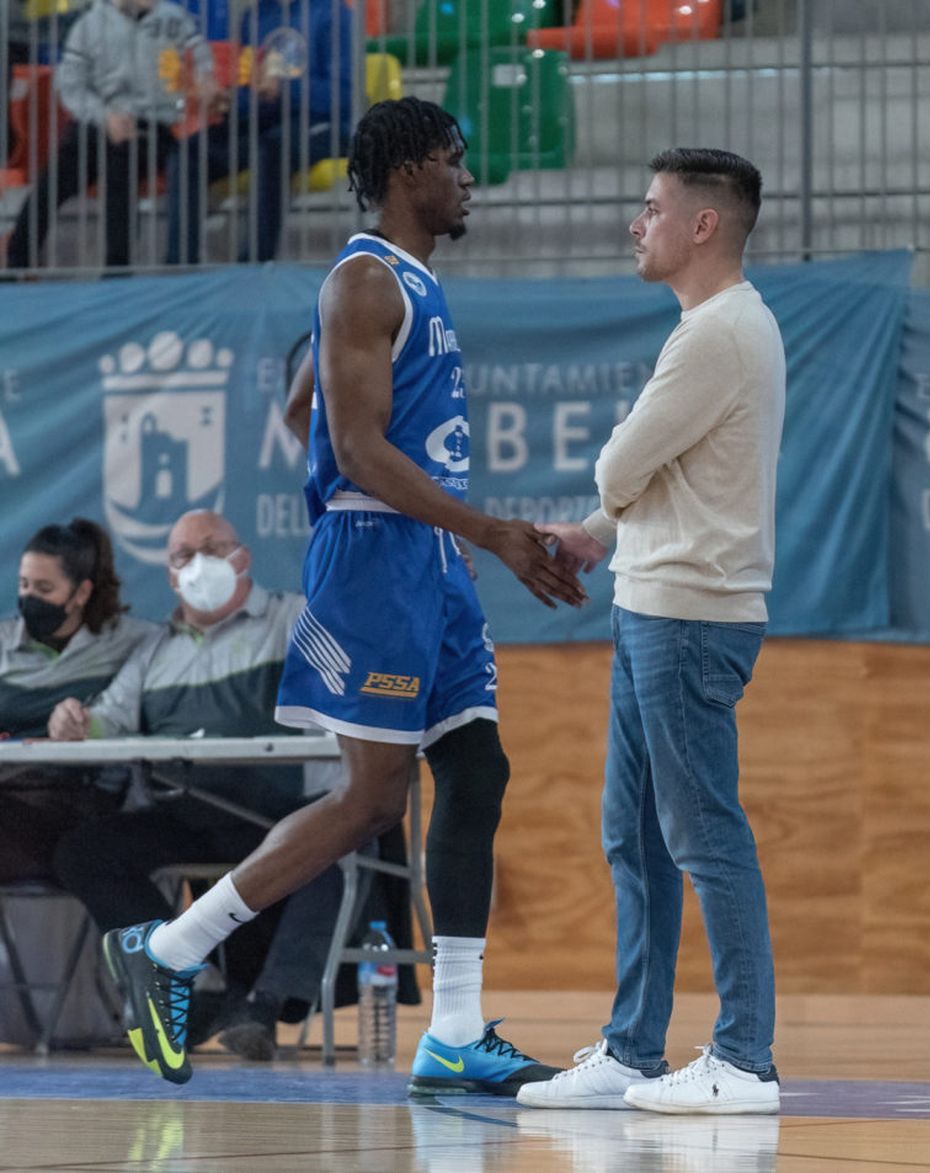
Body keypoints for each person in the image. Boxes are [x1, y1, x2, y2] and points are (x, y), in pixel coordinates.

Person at [102, 96, 587, 1090]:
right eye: (453, 160)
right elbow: (357, 448)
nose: (467, 180)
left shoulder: (407, 285)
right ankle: (171, 950)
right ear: (408, 170)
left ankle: (453, 1030)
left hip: (428, 559)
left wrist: (439, 523)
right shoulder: (364, 280)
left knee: (477, 769)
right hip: (380, 560)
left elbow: (306, 410)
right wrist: (486, 530)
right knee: (371, 799)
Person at [519, 148, 786, 1116]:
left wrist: (601, 504)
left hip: (687, 618)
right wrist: (596, 539)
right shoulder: (716, 329)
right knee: (631, 835)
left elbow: (622, 463)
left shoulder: (717, 334)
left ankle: (744, 1059)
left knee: (703, 835)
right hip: (651, 606)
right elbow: (659, 481)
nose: (637, 225)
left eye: (650, 209)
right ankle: (634, 1048)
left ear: (702, 226)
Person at [50, 509, 346, 1062]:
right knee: (85, 852)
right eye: (183, 555)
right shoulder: (154, 654)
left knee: (333, 845)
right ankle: (193, 976)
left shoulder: (297, 621)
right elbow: (104, 720)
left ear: (243, 558)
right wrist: (73, 721)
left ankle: (261, 1004)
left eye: (212, 547)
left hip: (280, 820)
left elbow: (349, 691)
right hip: (190, 819)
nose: (198, 562)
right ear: (169, 576)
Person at [4, 0, 213, 271]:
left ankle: (117, 269)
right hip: (96, 120)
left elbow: (201, 57)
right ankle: (16, 263)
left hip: (152, 123)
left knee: (121, 165)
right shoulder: (89, 26)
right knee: (52, 182)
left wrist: (206, 78)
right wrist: (104, 116)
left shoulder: (174, 19)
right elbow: (70, 85)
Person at [0, 519, 155, 882]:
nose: (29, 599)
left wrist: (86, 723)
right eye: (23, 586)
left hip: (86, 805)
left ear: (81, 593)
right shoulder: (4, 642)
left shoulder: (134, 643)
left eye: (44, 587)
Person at [165, 0, 352, 264]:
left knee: (273, 148)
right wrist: (229, 101)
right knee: (190, 152)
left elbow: (344, 95)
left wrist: (286, 89)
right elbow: (249, 85)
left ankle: (255, 263)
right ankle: (179, 264)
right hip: (266, 120)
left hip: (323, 122)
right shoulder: (254, 17)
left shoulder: (333, 13)